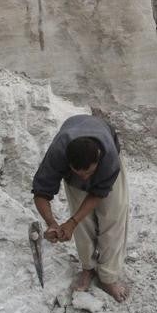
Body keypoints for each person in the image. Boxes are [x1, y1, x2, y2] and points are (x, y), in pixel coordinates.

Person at [32, 114, 130, 301]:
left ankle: (108, 277)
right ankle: (88, 268)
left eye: (89, 173)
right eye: (79, 173)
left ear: (98, 159)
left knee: (113, 218)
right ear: (68, 163)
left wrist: (71, 221)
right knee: (83, 223)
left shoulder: (109, 159)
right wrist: (52, 223)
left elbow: (98, 193)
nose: (85, 178)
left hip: (106, 168)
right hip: (74, 151)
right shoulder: (58, 153)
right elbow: (40, 192)